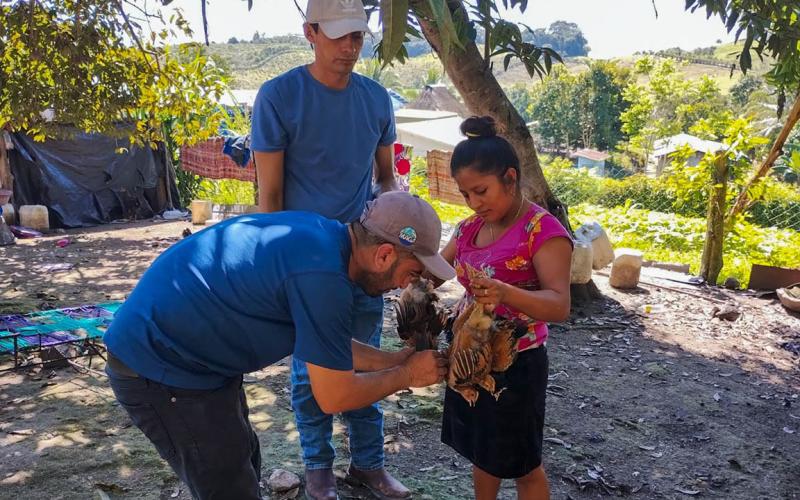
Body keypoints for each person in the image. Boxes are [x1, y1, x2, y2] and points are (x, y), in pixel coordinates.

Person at [103, 192, 455, 500]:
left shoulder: (324, 241)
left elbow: (324, 344)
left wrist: (393, 360)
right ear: (383, 255)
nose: (407, 285)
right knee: (227, 484)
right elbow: (335, 395)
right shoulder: (323, 277)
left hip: (198, 360)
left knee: (243, 460)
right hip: (161, 367)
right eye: (412, 273)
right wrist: (406, 374)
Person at [249, 0, 404, 498]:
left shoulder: (377, 99)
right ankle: (317, 469)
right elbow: (268, 195)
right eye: (337, 35)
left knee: (367, 362)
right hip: (304, 264)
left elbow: (386, 178)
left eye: (357, 36)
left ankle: (369, 465)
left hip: (366, 258)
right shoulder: (278, 97)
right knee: (310, 372)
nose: (349, 47)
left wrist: (401, 231)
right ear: (310, 32)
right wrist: (272, 269)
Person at [436, 116, 573, 500]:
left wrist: (505, 293)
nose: (474, 203)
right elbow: (438, 270)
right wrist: (407, 259)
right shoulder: (467, 229)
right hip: (470, 356)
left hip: (517, 366)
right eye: (465, 194)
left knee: (522, 463)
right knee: (484, 452)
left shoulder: (542, 232)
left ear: (510, 178)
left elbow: (559, 305)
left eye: (481, 191)